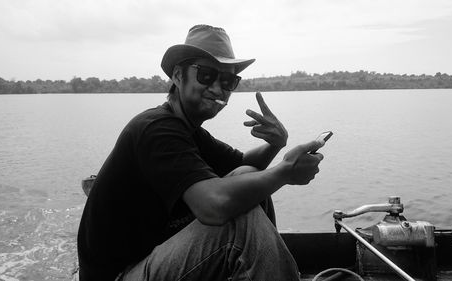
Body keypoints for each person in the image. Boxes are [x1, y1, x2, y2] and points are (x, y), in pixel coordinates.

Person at [77, 24, 325, 281]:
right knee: (239, 224)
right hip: (119, 274)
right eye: (206, 75)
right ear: (178, 76)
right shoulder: (156, 129)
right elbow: (213, 207)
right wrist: (284, 172)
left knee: (246, 177)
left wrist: (276, 144)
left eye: (228, 81)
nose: (218, 89)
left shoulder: (188, 131)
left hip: (152, 255)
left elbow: (242, 164)